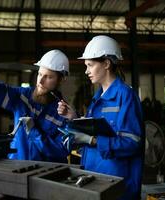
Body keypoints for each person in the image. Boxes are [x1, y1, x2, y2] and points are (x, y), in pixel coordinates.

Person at [57, 35, 144, 200]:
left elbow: (132, 143)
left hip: (117, 187)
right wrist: (74, 117)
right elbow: (94, 129)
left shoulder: (125, 96)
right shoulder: (97, 99)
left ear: (106, 64)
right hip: (95, 181)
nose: (86, 71)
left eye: (90, 65)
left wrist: (93, 140)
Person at [0, 49, 70, 163]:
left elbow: (60, 151)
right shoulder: (22, 97)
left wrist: (34, 132)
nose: (40, 81)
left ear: (61, 80)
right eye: (40, 74)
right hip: (16, 166)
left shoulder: (64, 115)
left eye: (49, 77)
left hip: (44, 173)